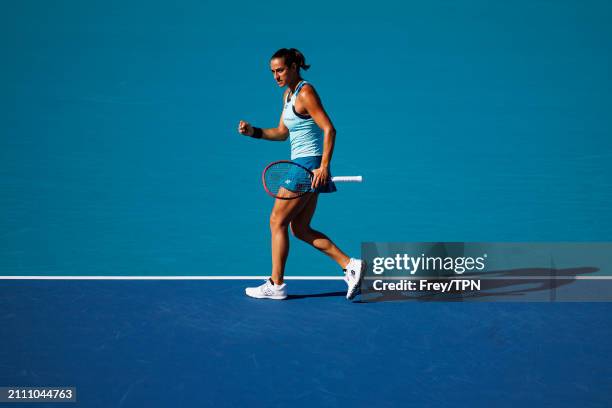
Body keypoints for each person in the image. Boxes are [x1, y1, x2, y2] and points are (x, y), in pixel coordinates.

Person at [237, 48, 365, 300]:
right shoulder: (288, 95)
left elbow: (329, 129)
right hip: (307, 165)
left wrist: (324, 166)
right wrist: (254, 132)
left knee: (276, 221)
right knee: (301, 228)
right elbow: (282, 133)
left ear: (294, 66)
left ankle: (276, 284)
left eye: (280, 70)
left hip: (306, 166)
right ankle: (351, 265)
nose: (276, 76)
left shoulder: (305, 92)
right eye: (272, 72)